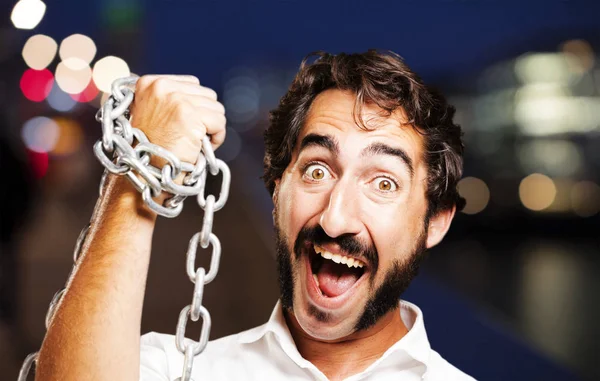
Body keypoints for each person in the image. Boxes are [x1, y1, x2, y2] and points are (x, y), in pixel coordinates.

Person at [36, 50, 474, 381]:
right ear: (277, 189)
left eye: (383, 183)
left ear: (436, 221)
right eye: (316, 170)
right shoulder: (178, 368)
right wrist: (140, 174)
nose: (335, 220)